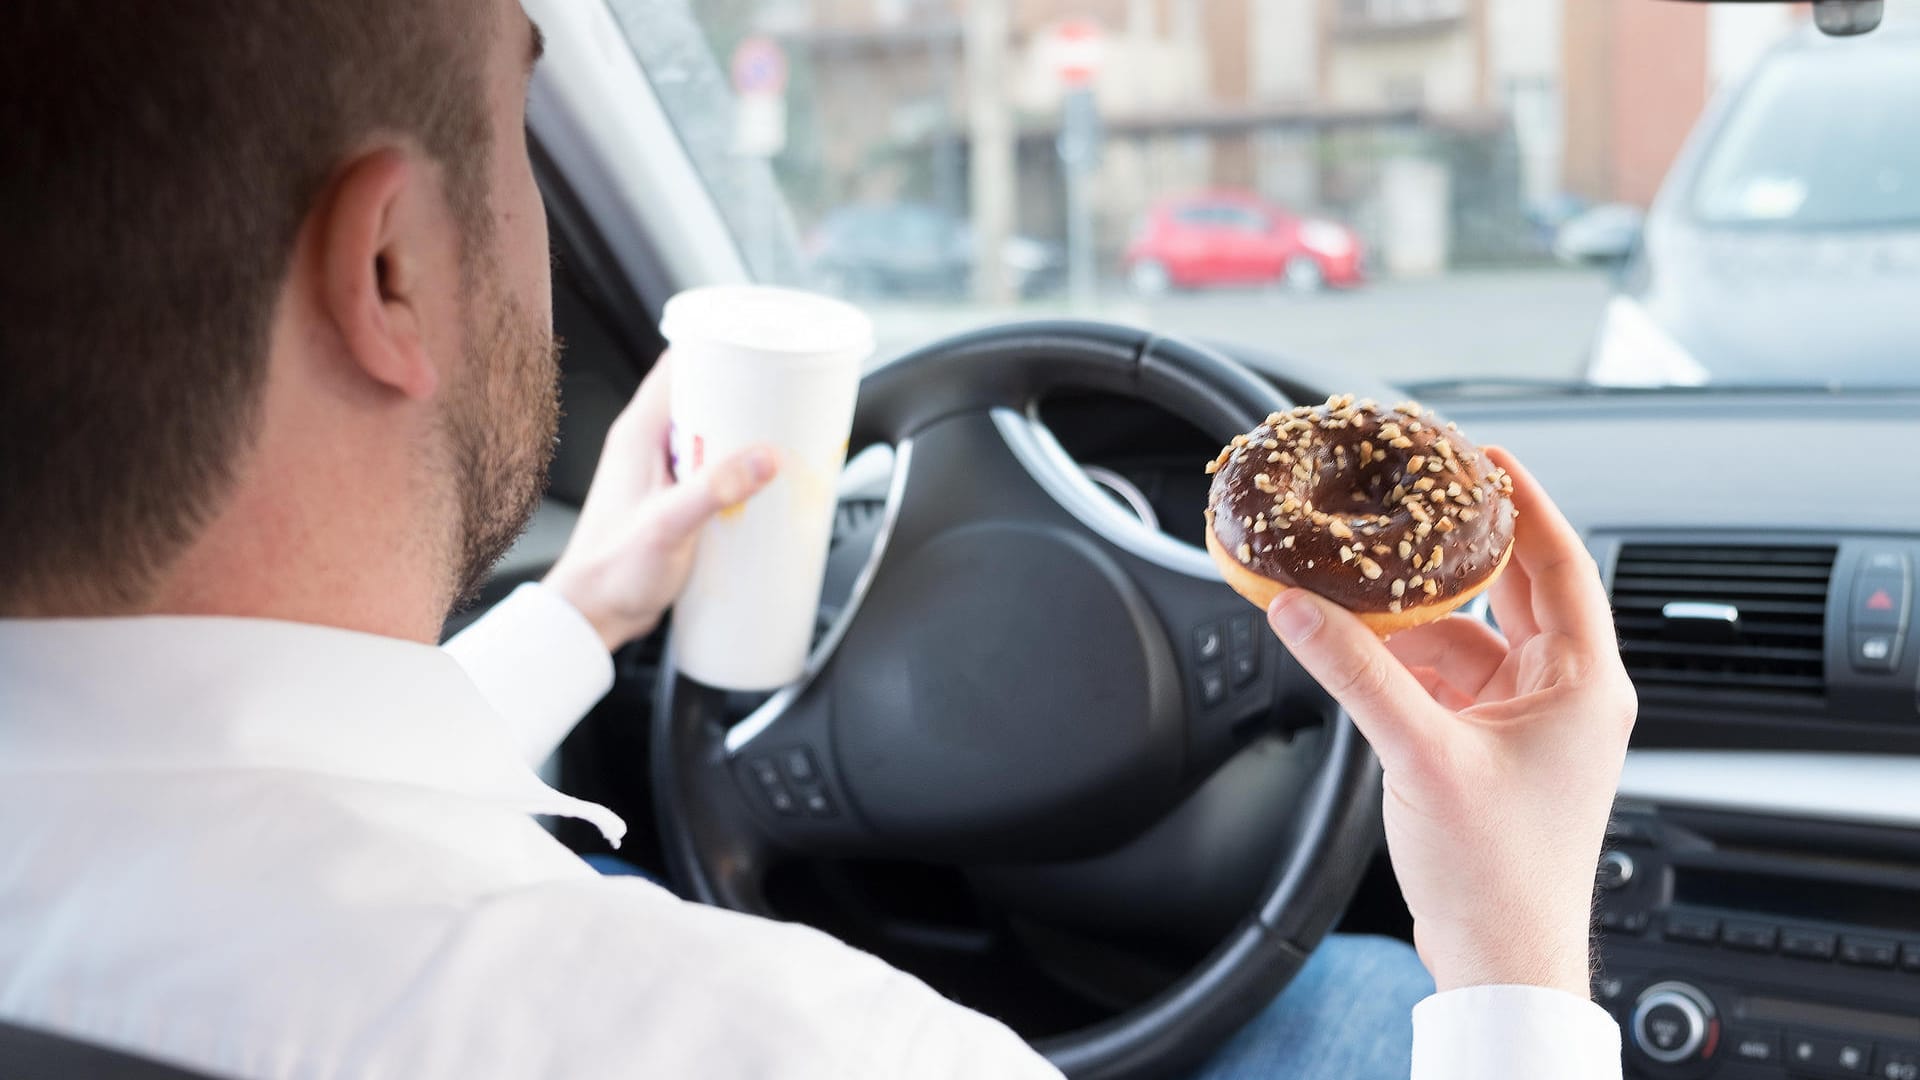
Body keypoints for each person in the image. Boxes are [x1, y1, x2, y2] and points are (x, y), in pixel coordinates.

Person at [0, 2, 1635, 1078]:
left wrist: (580, 613)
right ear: (390, 274)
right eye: (518, 125)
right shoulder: (802, 1047)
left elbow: (235, 799)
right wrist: (1514, 957)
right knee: (1362, 1011)